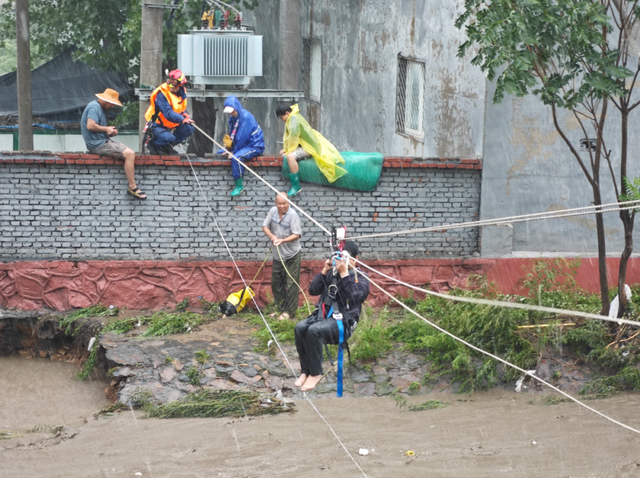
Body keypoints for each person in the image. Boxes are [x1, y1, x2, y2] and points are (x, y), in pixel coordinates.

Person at [294, 241, 369, 392]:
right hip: (324, 316)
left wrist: (344, 274)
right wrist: (325, 270)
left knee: (314, 331)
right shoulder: (331, 274)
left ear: (355, 258)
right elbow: (313, 290)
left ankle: (315, 374)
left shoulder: (360, 277)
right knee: (300, 327)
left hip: (345, 322)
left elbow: (355, 297)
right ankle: (305, 371)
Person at [81, 88, 146, 200]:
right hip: (97, 144)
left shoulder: (99, 107)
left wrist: (109, 132)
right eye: (112, 104)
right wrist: (106, 129)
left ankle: (132, 185)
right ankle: (132, 186)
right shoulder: (94, 107)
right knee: (130, 154)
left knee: (129, 151)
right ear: (107, 101)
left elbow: (97, 128)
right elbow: (90, 126)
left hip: (102, 141)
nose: (113, 106)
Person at [276, 103, 348, 197]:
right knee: (288, 154)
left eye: (282, 117)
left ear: (286, 113)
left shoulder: (293, 119)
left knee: (290, 157)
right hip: (305, 145)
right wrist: (286, 149)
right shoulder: (294, 117)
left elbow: (294, 136)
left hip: (309, 147)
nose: (282, 120)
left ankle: (296, 186)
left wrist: (288, 151)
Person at [262, 191, 302, 321]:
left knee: (291, 283)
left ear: (288, 202)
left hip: (292, 255)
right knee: (276, 282)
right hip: (277, 255)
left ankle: (289, 312)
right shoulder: (273, 211)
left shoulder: (293, 215)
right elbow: (265, 226)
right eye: (279, 203)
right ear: (276, 203)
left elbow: (297, 234)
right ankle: (279, 308)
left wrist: (283, 240)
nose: (282, 206)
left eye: (284, 203)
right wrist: (272, 236)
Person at [216, 95, 265, 197]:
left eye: (232, 110)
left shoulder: (246, 118)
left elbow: (241, 137)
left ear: (237, 107)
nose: (231, 113)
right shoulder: (233, 118)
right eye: (229, 111)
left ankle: (239, 185)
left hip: (254, 145)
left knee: (236, 158)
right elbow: (232, 135)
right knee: (219, 153)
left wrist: (234, 151)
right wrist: (228, 147)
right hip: (242, 145)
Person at [144, 69, 194, 155]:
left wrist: (184, 113)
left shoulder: (182, 92)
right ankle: (153, 144)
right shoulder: (161, 94)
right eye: (169, 81)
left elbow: (179, 107)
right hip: (157, 124)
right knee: (168, 138)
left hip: (172, 123)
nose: (170, 84)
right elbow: (168, 113)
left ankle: (166, 146)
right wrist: (182, 119)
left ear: (180, 84)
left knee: (189, 128)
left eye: (173, 82)